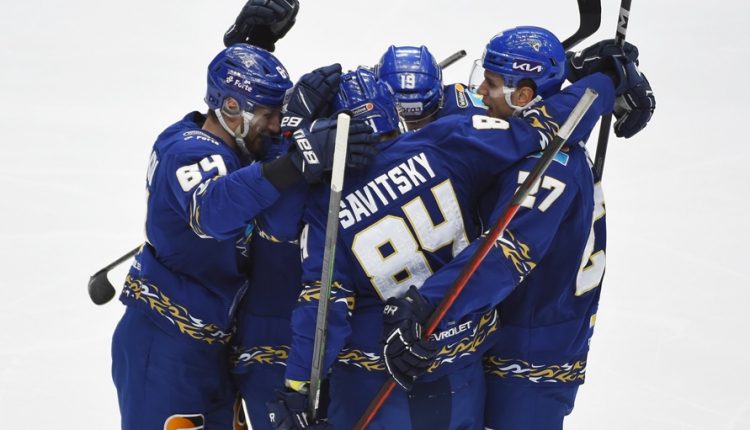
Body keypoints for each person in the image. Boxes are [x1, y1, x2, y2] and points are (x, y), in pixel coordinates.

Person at [271, 33, 625, 427]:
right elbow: (541, 127)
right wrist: (603, 81)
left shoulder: (324, 205)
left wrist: (299, 386)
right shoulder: (448, 140)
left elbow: (324, 304)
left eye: (490, 83)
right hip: (465, 367)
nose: (480, 91)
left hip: (382, 376)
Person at [380, 29, 655, 430]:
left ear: (524, 96)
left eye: (491, 84)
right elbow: (471, 116)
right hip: (530, 330)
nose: (480, 91)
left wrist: (426, 305)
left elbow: (504, 256)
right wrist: (594, 76)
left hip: (532, 353)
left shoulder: (544, 171)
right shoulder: (544, 138)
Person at [110, 40, 376, 429]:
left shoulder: (235, 146)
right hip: (166, 346)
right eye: (268, 115)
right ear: (231, 108)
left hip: (214, 349)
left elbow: (262, 165)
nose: (275, 127)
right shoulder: (187, 150)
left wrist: (298, 125)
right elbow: (214, 211)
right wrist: (298, 159)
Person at [375, 45, 486, 130]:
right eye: (399, 119)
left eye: (418, 120)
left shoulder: (469, 112)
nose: (410, 129)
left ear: (440, 99)